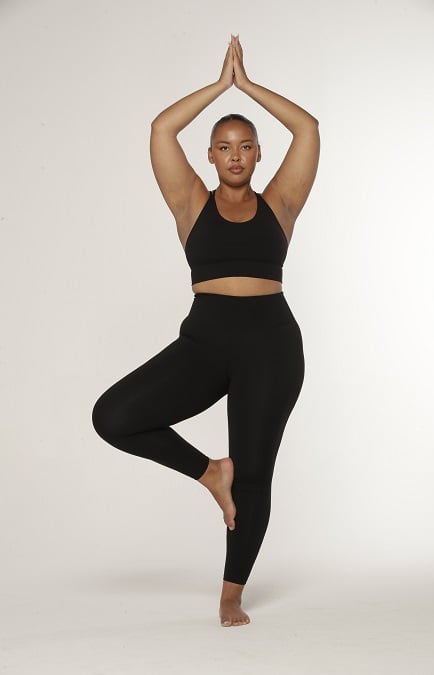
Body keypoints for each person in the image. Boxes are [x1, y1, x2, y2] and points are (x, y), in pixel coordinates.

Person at [92, 35, 320, 627]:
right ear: (211, 157)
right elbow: (161, 130)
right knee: (113, 416)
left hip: (272, 344)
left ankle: (230, 593)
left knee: (256, 471)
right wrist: (221, 86)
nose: (236, 156)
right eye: (224, 147)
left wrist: (250, 88)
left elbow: (310, 128)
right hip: (206, 340)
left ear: (259, 154)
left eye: (246, 146)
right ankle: (208, 472)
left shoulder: (283, 203)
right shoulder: (190, 203)